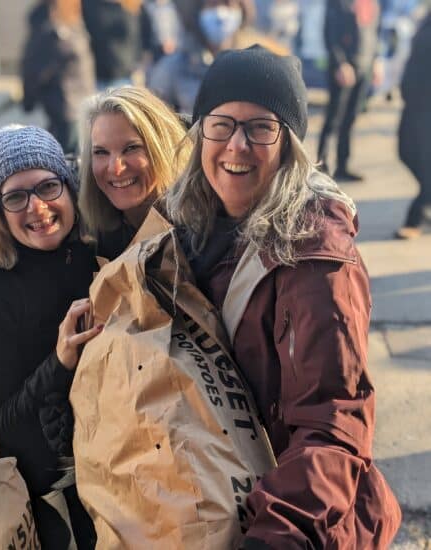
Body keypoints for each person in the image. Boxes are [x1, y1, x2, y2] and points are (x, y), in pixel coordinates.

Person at [165, 45, 401, 548]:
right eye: (222, 124)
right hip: (212, 503)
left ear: (289, 143)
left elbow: (332, 425)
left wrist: (275, 535)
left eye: (261, 128)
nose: (237, 146)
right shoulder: (188, 228)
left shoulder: (315, 260)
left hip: (295, 521)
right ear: (200, 130)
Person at [0, 125, 100, 549]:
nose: (37, 207)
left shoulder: (99, 256)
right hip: (59, 506)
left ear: (69, 188)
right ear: (0, 211)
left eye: (47, 186)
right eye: (16, 196)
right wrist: (59, 364)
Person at [78, 85, 190, 260]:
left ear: (163, 148)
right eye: (101, 152)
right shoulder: (92, 237)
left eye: (131, 148)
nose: (116, 168)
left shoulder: (200, 230)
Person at [148, 0, 258, 115]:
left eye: (228, 4)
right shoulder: (172, 67)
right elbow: (155, 118)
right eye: (212, 5)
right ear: (197, 11)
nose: (221, 14)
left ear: (242, 10)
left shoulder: (255, 64)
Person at [317, 0, 381, 182]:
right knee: (334, 119)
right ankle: (322, 166)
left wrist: (376, 60)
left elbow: (374, 32)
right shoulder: (338, 3)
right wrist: (340, 63)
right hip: (344, 68)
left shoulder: (371, 3)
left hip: (364, 66)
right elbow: (330, 33)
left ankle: (342, 166)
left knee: (350, 118)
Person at [21, 0, 96, 154]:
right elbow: (34, 67)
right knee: (67, 155)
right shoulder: (50, 30)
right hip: (65, 105)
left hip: (81, 101)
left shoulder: (75, 24)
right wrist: (29, 98)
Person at [395, 4, 431, 239]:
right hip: (415, 101)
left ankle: (415, 217)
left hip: (427, 104)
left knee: (426, 162)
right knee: (405, 152)